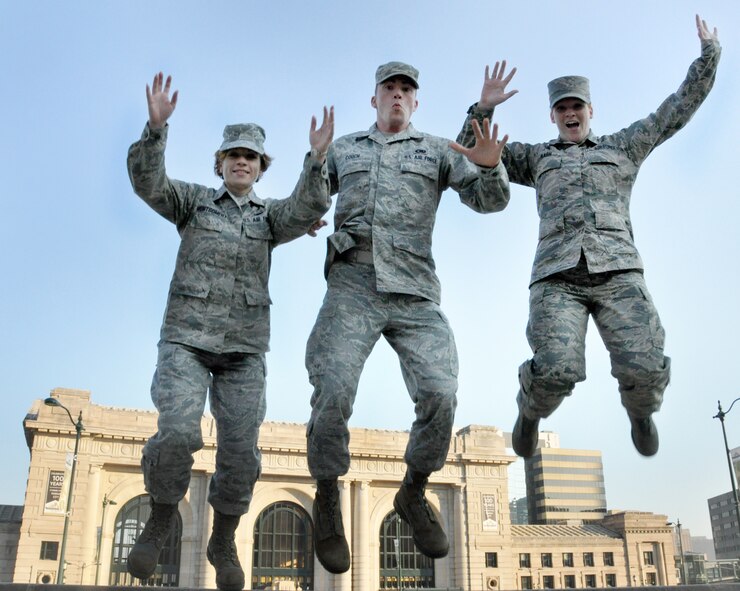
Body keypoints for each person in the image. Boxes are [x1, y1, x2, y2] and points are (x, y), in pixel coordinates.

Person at [458, 15, 721, 458]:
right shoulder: (538, 158)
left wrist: (709, 56)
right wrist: (483, 108)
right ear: (553, 115)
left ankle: (640, 412)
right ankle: (529, 412)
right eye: (562, 108)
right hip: (558, 279)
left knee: (646, 365)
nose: (570, 113)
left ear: (590, 111)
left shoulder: (623, 147)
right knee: (556, 370)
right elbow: (471, 149)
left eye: (577, 106)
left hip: (617, 272)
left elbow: (675, 110)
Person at [125, 72, 333, 591]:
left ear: (262, 168)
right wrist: (155, 129)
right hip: (186, 342)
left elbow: (308, 208)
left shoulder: (270, 217)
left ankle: (224, 536)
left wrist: (316, 160)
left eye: (252, 157)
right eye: (233, 155)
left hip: (243, 350)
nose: (242, 161)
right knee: (176, 431)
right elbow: (148, 184)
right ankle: (161, 514)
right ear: (219, 163)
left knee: (241, 451)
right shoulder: (193, 202)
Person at [305, 61, 510, 574]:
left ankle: (413, 490)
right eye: (389, 89)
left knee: (440, 390)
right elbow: (305, 200)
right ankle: (328, 496)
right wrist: (310, 183)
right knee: (332, 387)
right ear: (373, 99)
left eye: (406, 91)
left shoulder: (438, 149)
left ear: (415, 103)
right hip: (353, 283)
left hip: (415, 290)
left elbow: (490, 201)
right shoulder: (346, 147)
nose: (397, 96)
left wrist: (488, 166)